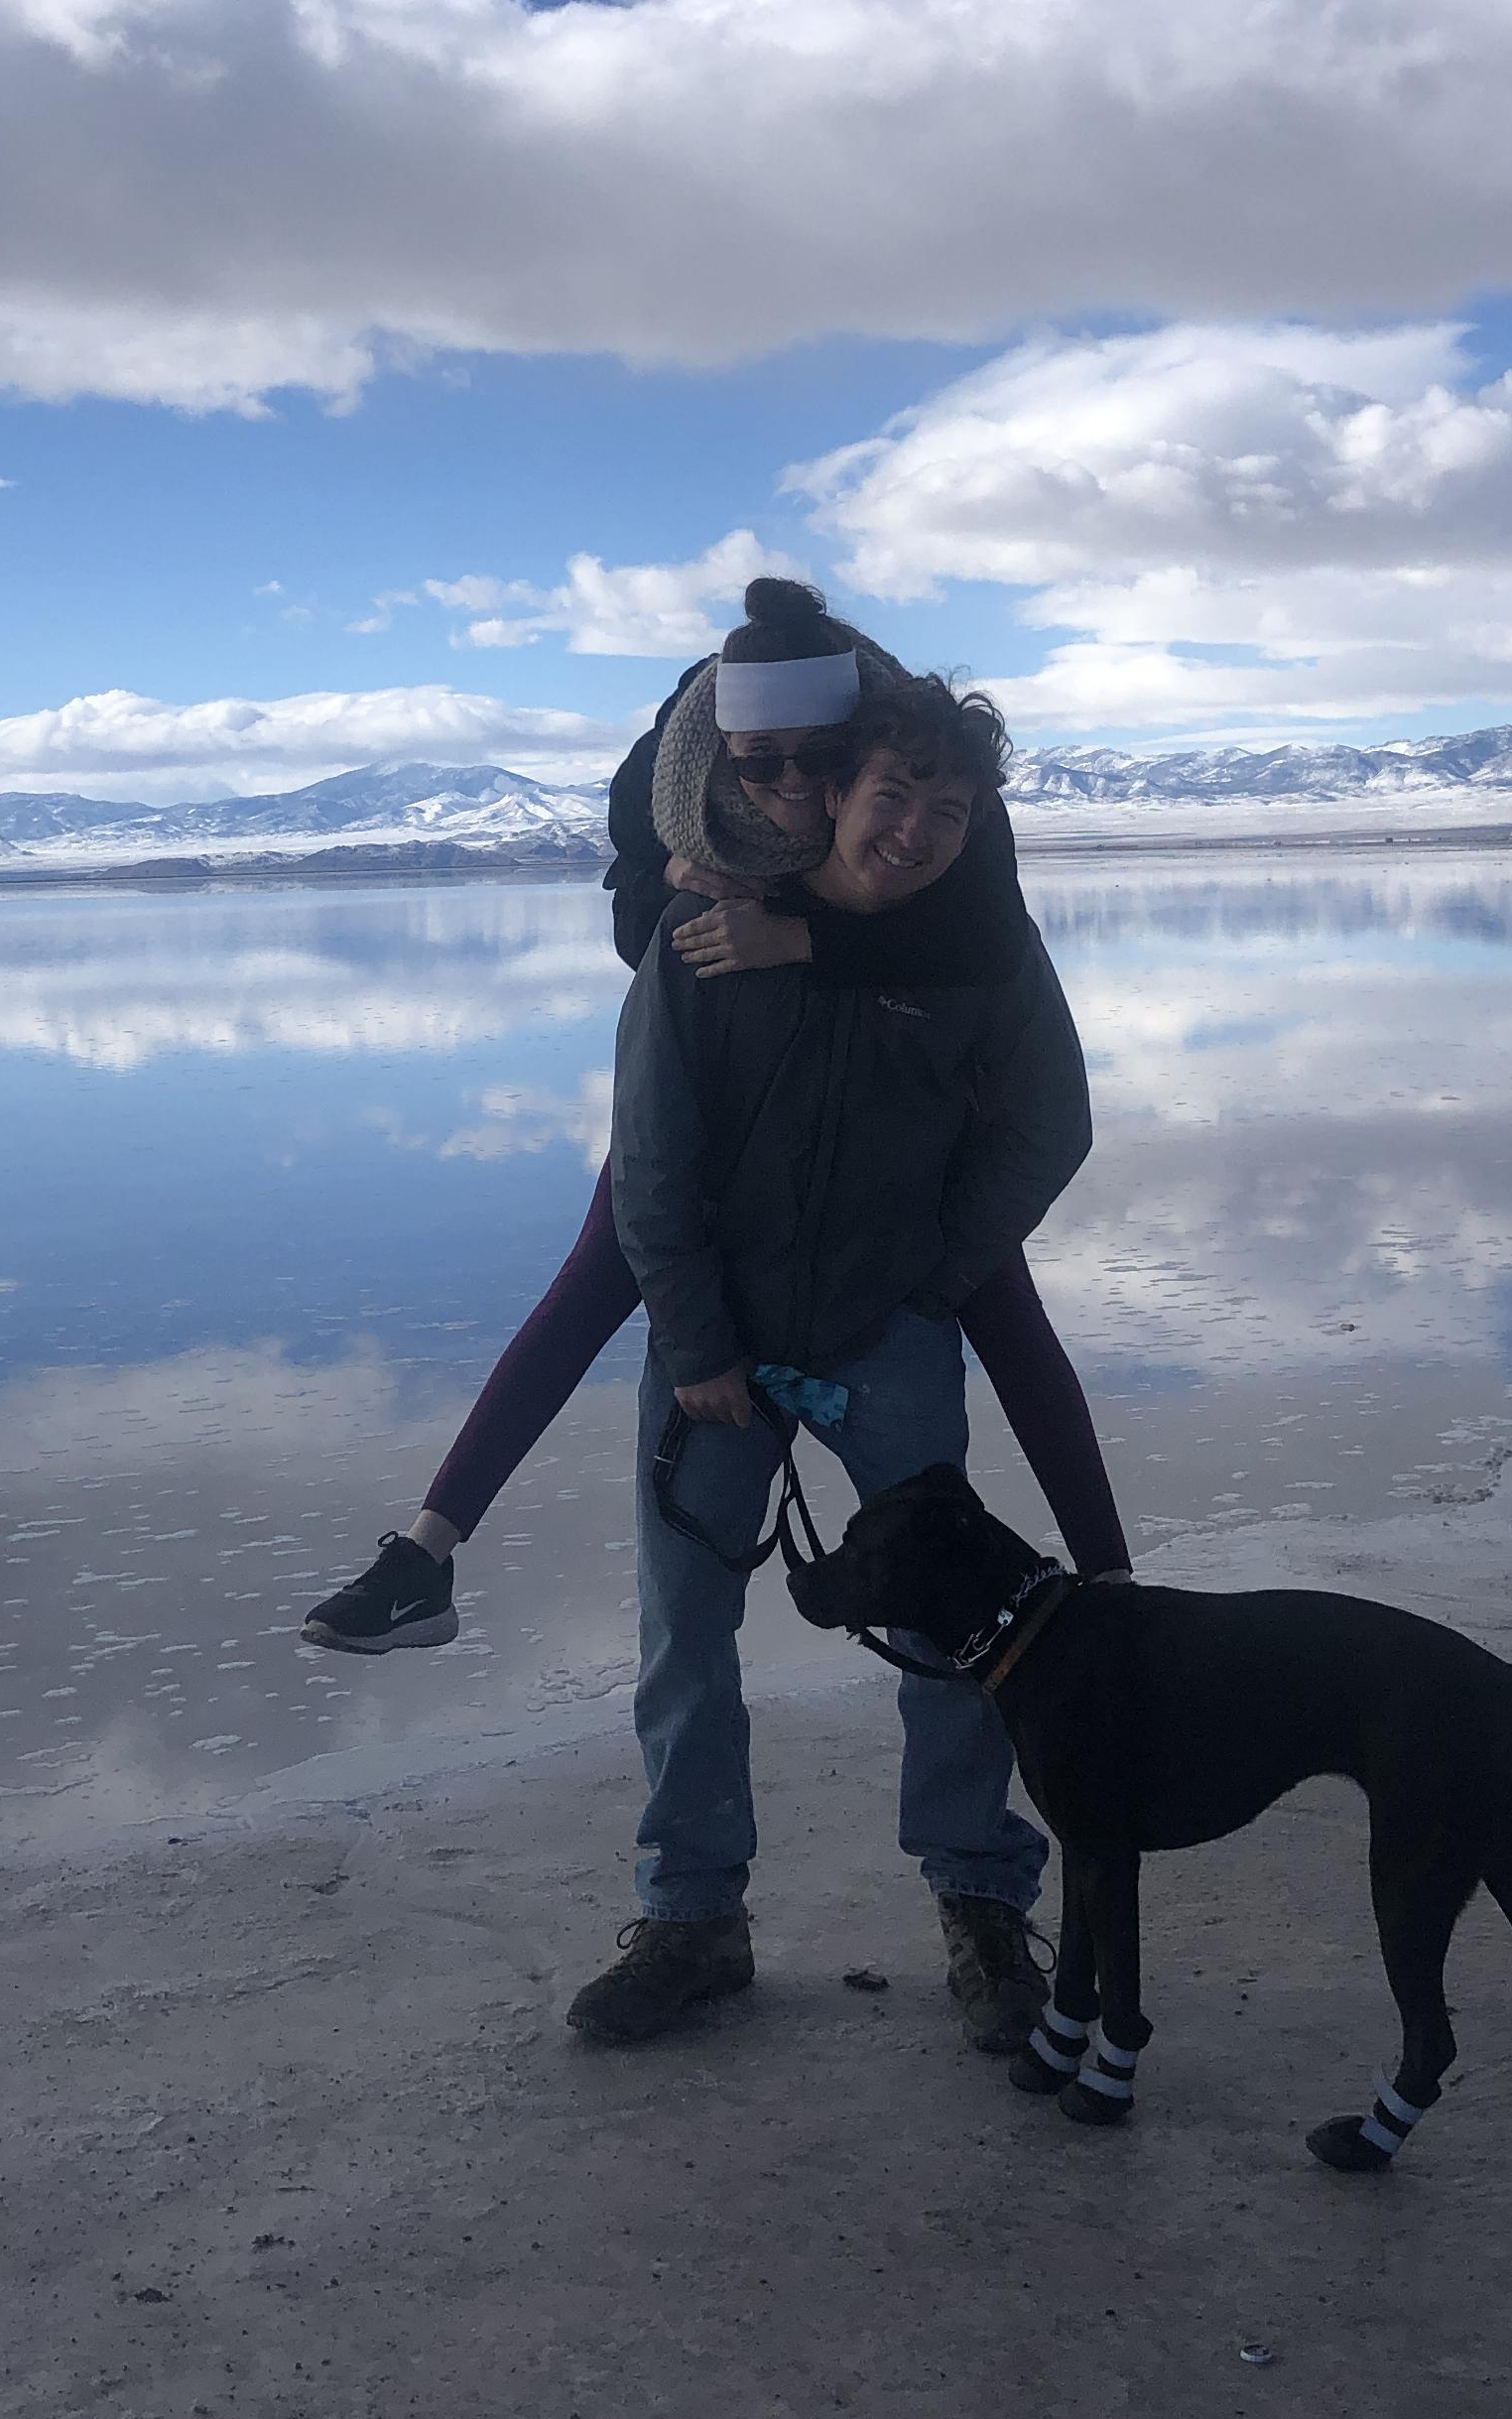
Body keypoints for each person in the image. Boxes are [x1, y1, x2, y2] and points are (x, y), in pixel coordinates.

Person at [301, 578, 1128, 1653]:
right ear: (727, 747)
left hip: (902, 1127)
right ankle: (425, 1551)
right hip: (734, 1100)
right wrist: (684, 889)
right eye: (763, 760)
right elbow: (637, 911)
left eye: (814, 759)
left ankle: (1117, 1592)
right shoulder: (680, 766)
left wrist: (806, 942)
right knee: (606, 1261)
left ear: (853, 748)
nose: (789, 779)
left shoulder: (929, 782)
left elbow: (980, 947)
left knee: (998, 1303)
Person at [566, 674, 1091, 2053]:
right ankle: (691, 1916)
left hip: (891, 1340)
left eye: (949, 807)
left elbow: (1050, 1129)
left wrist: (930, 1280)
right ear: (836, 790)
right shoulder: (708, 933)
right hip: (713, 1353)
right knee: (685, 1632)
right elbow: (653, 1164)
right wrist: (695, 1346)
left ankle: (980, 1900)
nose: (914, 830)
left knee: (949, 1629)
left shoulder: (984, 951)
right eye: (891, 794)